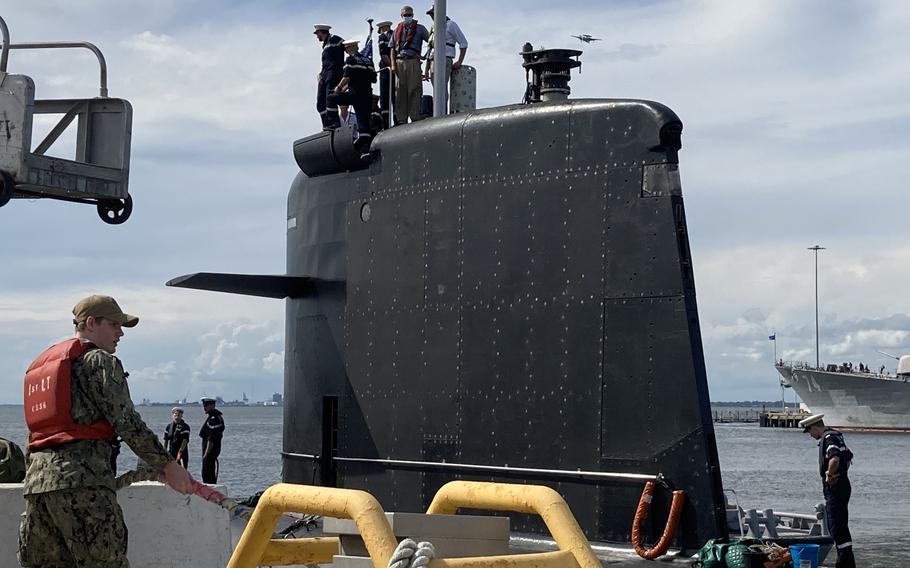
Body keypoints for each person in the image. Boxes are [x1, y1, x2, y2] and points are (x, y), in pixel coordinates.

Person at [18, 294, 193, 567]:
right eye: (114, 325)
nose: (120, 333)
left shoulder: (44, 367)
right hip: (84, 488)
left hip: (38, 490)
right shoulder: (99, 361)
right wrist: (168, 465)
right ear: (90, 323)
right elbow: (127, 421)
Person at [799, 413, 856, 568]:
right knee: (841, 525)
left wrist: (829, 475)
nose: (810, 435)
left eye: (809, 431)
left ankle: (844, 562)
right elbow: (848, 456)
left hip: (836, 488)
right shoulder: (837, 436)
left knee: (836, 527)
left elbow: (835, 458)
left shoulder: (829, 437)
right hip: (844, 486)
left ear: (815, 427)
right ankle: (847, 561)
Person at [327, 40, 377, 151]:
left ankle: (333, 124)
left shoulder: (350, 60)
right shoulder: (369, 61)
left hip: (354, 95)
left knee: (330, 98)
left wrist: (338, 88)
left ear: (348, 49)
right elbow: (374, 79)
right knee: (363, 124)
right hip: (367, 95)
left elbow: (347, 77)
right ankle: (365, 151)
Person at [422, 6, 468, 112]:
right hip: (433, 60)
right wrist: (426, 70)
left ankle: (442, 112)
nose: (432, 17)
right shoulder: (433, 27)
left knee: (441, 88)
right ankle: (437, 111)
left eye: (433, 14)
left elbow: (463, 43)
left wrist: (459, 61)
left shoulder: (451, 25)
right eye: (431, 15)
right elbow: (430, 48)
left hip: (445, 59)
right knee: (436, 89)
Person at [389, 5, 430, 124]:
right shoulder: (397, 30)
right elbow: (392, 48)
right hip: (400, 61)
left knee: (415, 89)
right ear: (401, 16)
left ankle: (415, 116)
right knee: (400, 91)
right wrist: (393, 64)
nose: (407, 17)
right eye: (405, 15)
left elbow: (432, 43)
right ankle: (401, 119)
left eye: (409, 15)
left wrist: (423, 56)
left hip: (413, 61)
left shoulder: (420, 28)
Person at [314, 24, 345, 129]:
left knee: (330, 99)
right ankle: (326, 124)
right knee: (320, 102)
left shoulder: (335, 39)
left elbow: (348, 47)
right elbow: (326, 63)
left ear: (321, 32)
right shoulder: (325, 45)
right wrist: (320, 74)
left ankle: (334, 123)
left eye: (317, 34)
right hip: (325, 75)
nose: (317, 36)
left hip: (333, 74)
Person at [199, 397, 225, 483]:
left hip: (211, 452)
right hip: (208, 451)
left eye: (206, 405)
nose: (204, 408)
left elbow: (211, 439)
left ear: (212, 405)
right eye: (204, 405)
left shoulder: (215, 419)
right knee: (206, 474)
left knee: (207, 474)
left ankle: (211, 493)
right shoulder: (211, 417)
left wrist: (206, 454)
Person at [376, 20, 394, 128]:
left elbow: (383, 54)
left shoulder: (383, 37)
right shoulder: (395, 35)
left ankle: (386, 124)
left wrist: (392, 67)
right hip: (395, 68)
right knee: (395, 97)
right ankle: (397, 120)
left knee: (385, 97)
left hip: (387, 70)